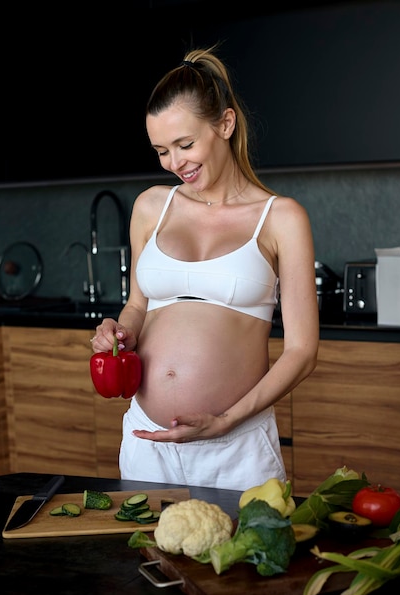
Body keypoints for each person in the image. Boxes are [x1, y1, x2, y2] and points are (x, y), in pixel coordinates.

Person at [90, 45, 319, 491]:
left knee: (242, 561)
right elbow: (139, 304)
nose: (175, 164)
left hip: (235, 447)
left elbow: (302, 352)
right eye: (161, 151)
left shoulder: (282, 218)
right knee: (144, 560)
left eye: (185, 144)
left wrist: (225, 420)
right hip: (146, 441)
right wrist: (121, 330)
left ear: (225, 124)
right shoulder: (151, 206)